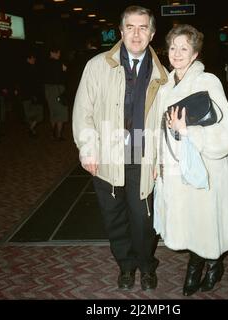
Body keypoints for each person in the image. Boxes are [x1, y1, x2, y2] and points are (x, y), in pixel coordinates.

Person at [72, 6, 167, 290]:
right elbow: (82, 111)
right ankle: (126, 266)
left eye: (142, 28)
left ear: (151, 34)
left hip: (144, 157)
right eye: (130, 27)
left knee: (144, 221)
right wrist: (88, 149)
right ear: (121, 30)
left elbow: (165, 125)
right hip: (106, 156)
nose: (136, 34)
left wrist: (160, 161)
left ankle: (146, 265)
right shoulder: (97, 65)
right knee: (114, 219)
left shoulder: (163, 76)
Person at [154, 24, 228, 296]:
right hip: (177, 168)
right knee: (193, 222)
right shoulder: (165, 86)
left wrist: (189, 131)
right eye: (173, 47)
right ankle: (205, 263)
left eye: (184, 48)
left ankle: (205, 266)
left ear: (195, 54)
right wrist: (157, 165)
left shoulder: (208, 82)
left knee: (206, 221)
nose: (177, 53)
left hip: (207, 167)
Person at [44, 47, 68, 141]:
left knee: (53, 111)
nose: (59, 55)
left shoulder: (44, 63)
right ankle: (59, 135)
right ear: (52, 53)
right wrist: (64, 71)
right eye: (58, 53)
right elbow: (64, 78)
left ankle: (53, 132)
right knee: (62, 112)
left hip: (48, 89)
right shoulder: (59, 63)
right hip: (58, 89)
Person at [18, 52, 43, 137]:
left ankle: (31, 129)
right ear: (28, 59)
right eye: (32, 58)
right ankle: (31, 129)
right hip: (31, 96)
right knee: (37, 113)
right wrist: (35, 95)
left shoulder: (25, 68)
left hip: (26, 96)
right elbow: (32, 83)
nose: (34, 59)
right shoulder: (30, 69)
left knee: (31, 114)